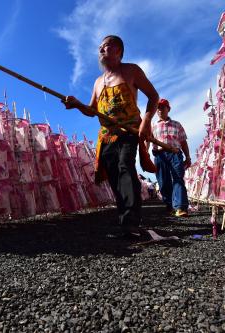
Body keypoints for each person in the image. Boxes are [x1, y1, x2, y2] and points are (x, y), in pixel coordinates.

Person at [62, 35, 159, 238]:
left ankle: (132, 222)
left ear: (119, 51)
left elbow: (153, 96)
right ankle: (125, 221)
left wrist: (146, 121)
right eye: (100, 47)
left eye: (107, 45)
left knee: (125, 166)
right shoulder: (98, 82)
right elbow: (92, 110)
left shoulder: (131, 71)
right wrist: (77, 105)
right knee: (114, 175)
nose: (102, 49)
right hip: (107, 136)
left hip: (129, 130)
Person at [151, 98, 191, 217]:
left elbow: (183, 142)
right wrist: (145, 154)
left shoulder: (177, 125)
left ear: (168, 109)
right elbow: (147, 141)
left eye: (162, 107)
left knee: (178, 178)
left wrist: (188, 157)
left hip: (175, 154)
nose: (159, 110)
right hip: (160, 155)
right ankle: (169, 204)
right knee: (163, 181)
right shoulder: (153, 126)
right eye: (158, 108)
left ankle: (180, 207)